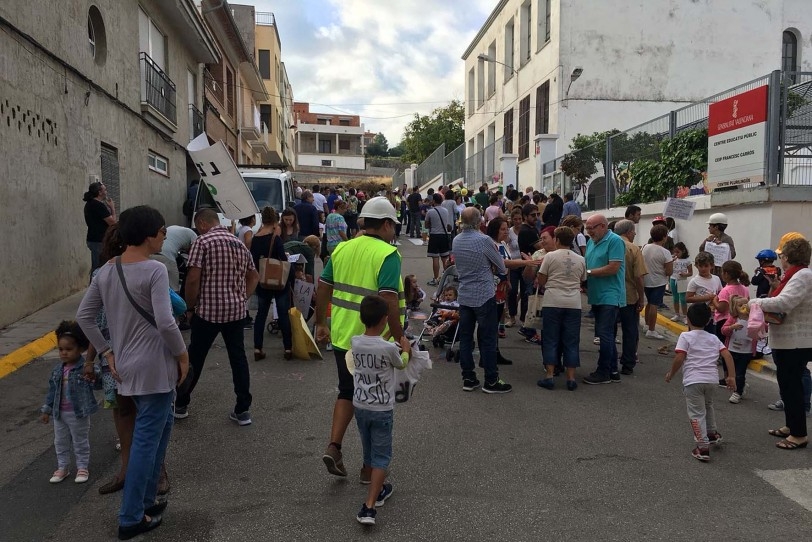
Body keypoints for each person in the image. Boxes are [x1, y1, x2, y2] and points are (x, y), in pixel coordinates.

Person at [76, 205, 188, 539]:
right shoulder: (154, 270)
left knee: (159, 431)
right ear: (150, 234)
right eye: (162, 230)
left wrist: (107, 351)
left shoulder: (106, 270)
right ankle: (130, 517)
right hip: (154, 366)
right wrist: (183, 356)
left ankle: (145, 501)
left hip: (126, 365)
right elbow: (166, 321)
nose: (165, 235)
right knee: (146, 440)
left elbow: (84, 316)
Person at [315, 196, 405, 479]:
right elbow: (389, 300)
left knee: (347, 391)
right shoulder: (387, 254)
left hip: (344, 337)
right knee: (373, 402)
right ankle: (369, 467)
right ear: (387, 224)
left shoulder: (342, 248)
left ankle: (335, 446)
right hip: (377, 340)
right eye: (394, 226)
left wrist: (320, 322)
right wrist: (401, 338)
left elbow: (324, 287)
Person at [174, 209, 258, 425]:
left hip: (207, 312)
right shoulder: (238, 243)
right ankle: (243, 410)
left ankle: (181, 403)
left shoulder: (202, 242)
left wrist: (189, 307)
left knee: (195, 358)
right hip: (236, 312)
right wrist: (243, 297)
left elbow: (193, 279)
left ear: (202, 223)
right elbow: (254, 275)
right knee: (238, 358)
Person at [352, 295, 410, 526]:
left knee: (368, 447)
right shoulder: (388, 349)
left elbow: (375, 347)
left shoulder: (356, 342)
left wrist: (386, 340)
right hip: (381, 409)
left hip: (360, 406)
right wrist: (405, 349)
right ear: (385, 319)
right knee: (382, 455)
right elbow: (402, 362)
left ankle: (376, 483)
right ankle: (369, 507)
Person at [751, 235, 812, 450]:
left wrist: (754, 303)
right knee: (786, 385)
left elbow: (784, 303)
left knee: (792, 385)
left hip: (796, 342)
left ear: (789, 256)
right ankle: (791, 426)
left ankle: (798, 434)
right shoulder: (793, 276)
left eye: (782, 256)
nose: (781, 260)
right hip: (788, 341)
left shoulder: (802, 276)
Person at [665, 303, 735, 462]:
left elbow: (680, 357)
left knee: (696, 413)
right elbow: (727, 356)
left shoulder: (685, 336)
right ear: (709, 321)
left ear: (687, 320)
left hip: (693, 382)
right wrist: (731, 376)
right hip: (711, 381)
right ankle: (711, 433)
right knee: (708, 406)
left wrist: (671, 373)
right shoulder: (714, 338)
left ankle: (702, 447)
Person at [452, 207, 511, 394]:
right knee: (487, 338)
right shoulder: (484, 240)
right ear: (479, 222)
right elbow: (501, 266)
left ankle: (468, 377)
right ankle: (491, 380)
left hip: (465, 293)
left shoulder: (456, 240)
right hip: (484, 293)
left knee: (466, 338)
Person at [40, 320, 98, 484]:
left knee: (80, 440)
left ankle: (82, 467)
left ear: (80, 349)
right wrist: (47, 410)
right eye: (61, 349)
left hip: (78, 413)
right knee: (60, 441)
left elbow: (98, 382)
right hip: (60, 414)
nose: (64, 353)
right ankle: (63, 467)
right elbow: (52, 391)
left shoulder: (84, 368)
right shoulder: (58, 370)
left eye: (68, 349)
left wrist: (92, 376)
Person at [537, 227, 587, 390]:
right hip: (573, 302)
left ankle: (550, 375)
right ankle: (571, 378)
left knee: (551, 339)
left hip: (552, 300)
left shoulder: (550, 256)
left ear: (557, 240)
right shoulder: (580, 259)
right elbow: (582, 280)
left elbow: (542, 279)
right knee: (571, 341)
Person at [583, 214, 626, 385]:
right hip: (597, 294)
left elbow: (613, 268)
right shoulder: (592, 241)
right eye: (587, 228)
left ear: (602, 226)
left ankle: (603, 371)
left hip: (610, 294)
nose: (589, 232)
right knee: (606, 333)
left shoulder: (614, 241)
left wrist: (589, 273)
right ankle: (613, 369)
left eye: (591, 228)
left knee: (605, 334)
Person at [250, 207, 294, 361]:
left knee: (261, 314)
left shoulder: (255, 238)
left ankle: (257, 348)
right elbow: (283, 259)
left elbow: (253, 261)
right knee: (283, 314)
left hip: (262, 281)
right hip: (278, 282)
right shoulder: (276, 239)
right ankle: (288, 348)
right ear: (275, 221)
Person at [612, 220, 647, 375]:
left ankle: (610, 361)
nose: (635, 234)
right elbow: (639, 277)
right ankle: (628, 363)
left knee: (609, 331)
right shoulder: (633, 249)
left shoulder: (608, 245)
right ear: (628, 232)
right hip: (629, 295)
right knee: (630, 330)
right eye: (633, 231)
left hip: (610, 295)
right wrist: (641, 298)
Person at [721, 295, 755, 404]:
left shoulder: (753, 319)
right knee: (733, 372)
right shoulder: (733, 319)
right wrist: (732, 327)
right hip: (732, 349)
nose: (744, 307)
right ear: (735, 308)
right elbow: (723, 330)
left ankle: (737, 392)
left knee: (741, 372)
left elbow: (762, 331)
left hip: (746, 351)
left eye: (746, 304)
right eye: (740, 305)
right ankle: (741, 385)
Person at [642, 224, 673, 340]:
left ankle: (646, 325)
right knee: (654, 305)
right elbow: (669, 271)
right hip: (658, 282)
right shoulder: (665, 252)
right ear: (664, 237)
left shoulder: (645, 247)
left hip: (646, 279)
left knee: (649, 303)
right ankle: (651, 329)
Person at [516, 203, 542, 339]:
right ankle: (528, 329)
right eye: (533, 215)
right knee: (530, 298)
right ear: (525, 216)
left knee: (529, 297)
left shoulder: (532, 229)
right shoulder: (527, 231)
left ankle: (527, 327)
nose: (536, 217)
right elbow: (541, 246)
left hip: (532, 267)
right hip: (528, 268)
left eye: (537, 214)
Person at [83, 181, 116, 278]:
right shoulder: (98, 205)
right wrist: (112, 208)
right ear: (99, 192)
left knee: (97, 267)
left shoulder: (89, 204)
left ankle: (95, 289)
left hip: (93, 239)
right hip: (99, 240)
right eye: (104, 190)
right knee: (99, 268)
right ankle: (95, 290)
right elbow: (113, 223)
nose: (106, 192)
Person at [685, 252, 722, 334]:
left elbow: (720, 294)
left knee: (710, 338)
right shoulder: (694, 281)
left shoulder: (716, 279)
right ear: (696, 266)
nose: (703, 269)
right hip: (697, 316)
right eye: (700, 266)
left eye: (706, 266)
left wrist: (714, 304)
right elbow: (688, 298)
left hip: (711, 316)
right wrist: (707, 297)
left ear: (711, 266)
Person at [424, 193, 452, 286]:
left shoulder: (430, 212)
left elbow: (426, 225)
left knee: (435, 258)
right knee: (444, 258)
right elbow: (448, 224)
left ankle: (436, 278)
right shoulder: (446, 211)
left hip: (434, 236)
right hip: (444, 235)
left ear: (434, 201)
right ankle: (446, 278)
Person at [670, 242, 692, 325]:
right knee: (675, 298)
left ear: (683, 251)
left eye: (678, 252)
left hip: (682, 280)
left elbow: (690, 273)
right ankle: (677, 314)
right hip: (673, 278)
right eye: (675, 252)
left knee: (682, 299)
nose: (676, 254)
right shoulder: (673, 259)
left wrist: (684, 274)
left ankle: (685, 316)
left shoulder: (687, 260)